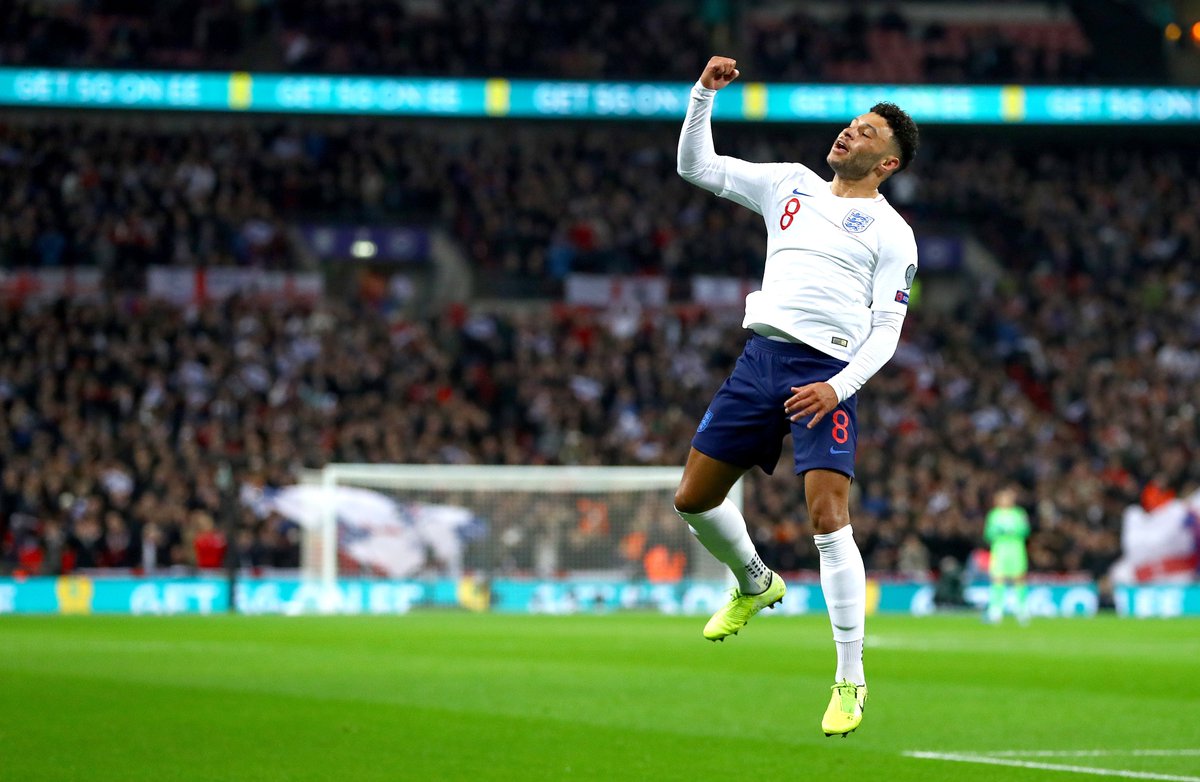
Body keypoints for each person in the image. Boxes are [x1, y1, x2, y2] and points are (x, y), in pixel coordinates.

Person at [672, 55, 919, 738]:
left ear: (887, 164)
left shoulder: (894, 236)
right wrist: (703, 96)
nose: (848, 134)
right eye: (849, 125)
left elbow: (888, 333)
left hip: (827, 372)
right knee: (692, 499)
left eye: (866, 134)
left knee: (827, 518)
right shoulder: (788, 184)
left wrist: (836, 388)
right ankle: (755, 581)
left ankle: (850, 679)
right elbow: (699, 167)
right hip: (761, 359)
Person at [984, 486, 1031, 623]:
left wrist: (1014, 531)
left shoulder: (1019, 513)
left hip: (1016, 550)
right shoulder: (994, 515)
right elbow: (988, 534)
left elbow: (1025, 530)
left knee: (1019, 579)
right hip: (1000, 550)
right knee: (998, 579)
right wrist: (1000, 531)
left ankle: (1021, 609)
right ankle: (996, 610)